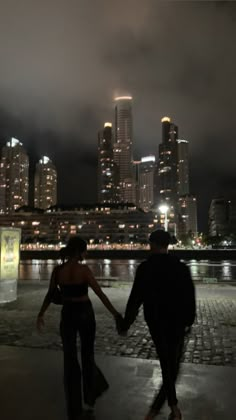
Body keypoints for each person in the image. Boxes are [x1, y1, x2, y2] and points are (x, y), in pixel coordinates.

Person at [37, 236, 122, 420]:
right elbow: (100, 293)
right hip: (85, 313)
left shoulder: (58, 271)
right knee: (87, 355)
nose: (86, 254)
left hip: (68, 313)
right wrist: (115, 314)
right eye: (85, 250)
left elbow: (51, 294)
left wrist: (41, 313)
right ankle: (90, 399)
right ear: (79, 251)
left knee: (70, 359)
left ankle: (73, 406)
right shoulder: (84, 270)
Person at [119, 229, 196, 420]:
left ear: (152, 244)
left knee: (166, 362)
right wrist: (189, 320)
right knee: (172, 364)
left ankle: (167, 408)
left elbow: (136, 297)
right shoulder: (180, 267)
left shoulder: (145, 268)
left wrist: (126, 322)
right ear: (168, 244)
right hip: (177, 320)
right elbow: (189, 295)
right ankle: (168, 408)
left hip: (155, 320)